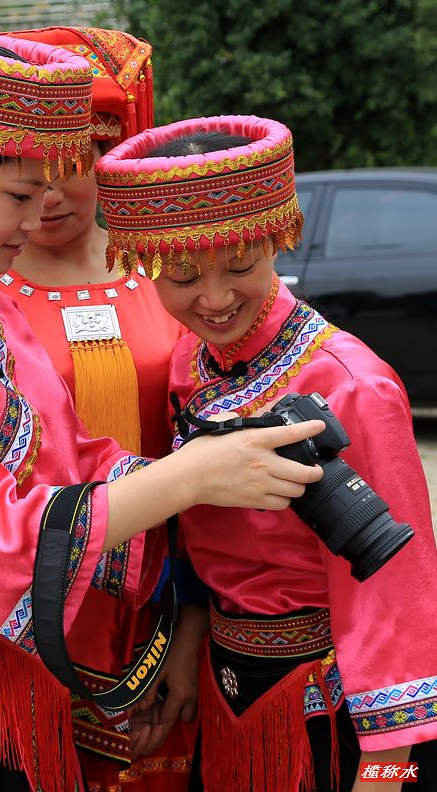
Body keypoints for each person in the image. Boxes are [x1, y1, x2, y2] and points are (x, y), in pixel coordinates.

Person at [0, 22, 325, 792]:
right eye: (16, 194)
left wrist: (222, 469)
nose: (35, 217)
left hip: (12, 683)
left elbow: (77, 460)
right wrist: (189, 479)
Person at [95, 115, 437, 791]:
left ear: (280, 240)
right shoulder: (192, 363)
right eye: (184, 275)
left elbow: (394, 587)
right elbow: (195, 532)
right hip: (231, 687)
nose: (215, 298)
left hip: (334, 708)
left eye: (242, 266)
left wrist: (386, 764)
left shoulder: (348, 383)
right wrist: (189, 645)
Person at [0, 26, 200, 792]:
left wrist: (192, 632)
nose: (48, 193)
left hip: (164, 612)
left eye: (71, 166)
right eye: (25, 171)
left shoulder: (176, 284)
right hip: (20, 619)